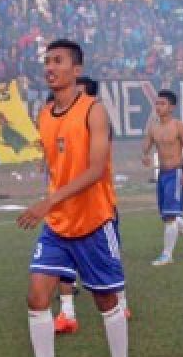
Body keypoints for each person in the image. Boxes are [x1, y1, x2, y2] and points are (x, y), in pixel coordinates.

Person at [13, 39, 129, 357]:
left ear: (76, 70)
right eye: (47, 61)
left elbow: (96, 170)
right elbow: (56, 162)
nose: (50, 67)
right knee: (36, 297)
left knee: (105, 299)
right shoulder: (44, 114)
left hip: (94, 220)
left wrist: (48, 200)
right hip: (58, 225)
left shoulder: (93, 111)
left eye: (58, 61)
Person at [53, 74, 130, 334]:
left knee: (111, 260)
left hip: (99, 209)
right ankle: (67, 314)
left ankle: (122, 302)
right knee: (63, 264)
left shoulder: (98, 123)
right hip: (66, 209)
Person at [143, 89, 183, 265]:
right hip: (162, 175)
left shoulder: (178, 126)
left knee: (170, 216)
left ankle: (167, 255)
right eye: (157, 103)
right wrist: (145, 155)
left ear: (172, 107)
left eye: (162, 104)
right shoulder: (153, 127)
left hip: (176, 173)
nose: (158, 107)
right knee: (168, 215)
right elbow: (146, 147)